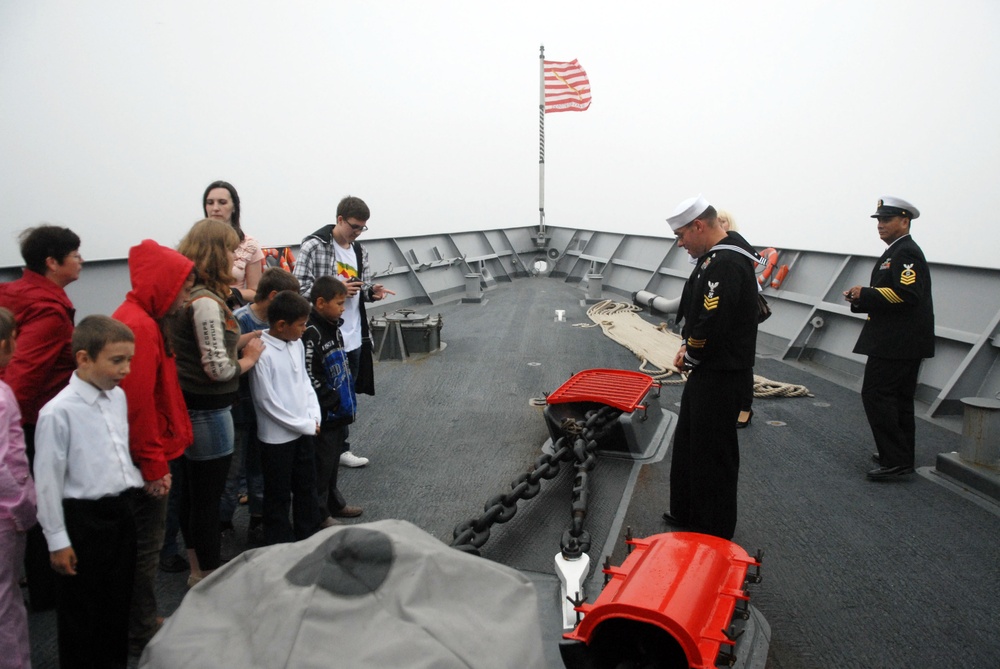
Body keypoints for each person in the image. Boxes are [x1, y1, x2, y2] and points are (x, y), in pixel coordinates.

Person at [34, 315, 143, 668]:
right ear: (83, 359)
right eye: (116, 361)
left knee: (117, 605)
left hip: (120, 513)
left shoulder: (117, 398)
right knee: (82, 613)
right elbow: (47, 481)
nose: (125, 369)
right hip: (83, 521)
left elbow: (116, 453)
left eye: (129, 359)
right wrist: (57, 540)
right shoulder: (57, 413)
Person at [111, 239, 195, 655]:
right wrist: (153, 465)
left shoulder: (141, 320)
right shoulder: (141, 328)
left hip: (151, 450)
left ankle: (139, 620)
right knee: (145, 548)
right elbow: (138, 406)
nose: (184, 299)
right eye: (180, 288)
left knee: (142, 546)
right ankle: (140, 629)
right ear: (163, 286)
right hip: (148, 457)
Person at [170, 219, 264, 587]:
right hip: (207, 412)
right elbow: (217, 369)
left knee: (194, 494)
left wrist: (239, 341)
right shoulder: (207, 303)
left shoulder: (193, 295)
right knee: (205, 497)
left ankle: (198, 566)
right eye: (230, 249)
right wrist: (250, 357)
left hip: (193, 406)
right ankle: (206, 572)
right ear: (215, 253)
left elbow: (200, 351)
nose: (235, 257)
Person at [661, 195, 759, 540]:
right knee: (692, 442)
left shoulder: (725, 263)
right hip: (711, 369)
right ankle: (689, 511)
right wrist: (690, 346)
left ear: (699, 226)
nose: (681, 243)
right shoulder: (715, 259)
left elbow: (712, 318)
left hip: (722, 372)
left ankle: (712, 528)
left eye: (682, 235)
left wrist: (692, 354)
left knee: (713, 453)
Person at [0, 224, 82, 611]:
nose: (80, 260)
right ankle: (47, 593)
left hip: (24, 422)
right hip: (31, 424)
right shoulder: (49, 314)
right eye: (75, 255)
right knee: (40, 503)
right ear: (53, 262)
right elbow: (21, 378)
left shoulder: (18, 293)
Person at [294, 196, 393, 468]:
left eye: (362, 228)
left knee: (345, 394)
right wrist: (337, 290)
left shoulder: (359, 251)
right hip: (324, 337)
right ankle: (318, 449)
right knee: (323, 392)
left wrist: (372, 292)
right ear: (339, 219)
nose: (357, 232)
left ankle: (340, 449)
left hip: (353, 334)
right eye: (354, 226)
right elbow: (299, 289)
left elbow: (361, 290)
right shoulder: (314, 246)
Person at [843, 197, 934, 481]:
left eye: (887, 220)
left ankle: (895, 459)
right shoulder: (897, 251)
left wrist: (865, 293)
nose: (880, 225)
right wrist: (860, 299)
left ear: (904, 221)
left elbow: (908, 295)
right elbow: (892, 294)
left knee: (877, 394)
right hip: (901, 341)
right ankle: (900, 456)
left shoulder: (905, 253)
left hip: (897, 343)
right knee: (899, 398)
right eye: (879, 220)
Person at [226, 267, 301, 544]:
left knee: (260, 469)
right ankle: (224, 525)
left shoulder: (280, 322)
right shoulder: (239, 322)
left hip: (265, 411)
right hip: (240, 408)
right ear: (273, 296)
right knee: (232, 472)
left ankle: (259, 521)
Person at [249, 291, 322, 544]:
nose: (305, 329)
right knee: (278, 495)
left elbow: (304, 381)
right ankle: (279, 543)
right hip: (277, 439)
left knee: (306, 486)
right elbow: (267, 402)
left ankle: (308, 536)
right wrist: (304, 424)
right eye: (301, 324)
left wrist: (314, 415)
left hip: (304, 431)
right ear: (281, 325)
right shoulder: (263, 353)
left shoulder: (297, 344)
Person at [303, 276, 363, 528]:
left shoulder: (333, 327)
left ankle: (333, 502)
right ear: (320, 303)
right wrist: (331, 400)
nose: (342, 308)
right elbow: (310, 373)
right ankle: (318, 514)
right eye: (339, 304)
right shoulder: (312, 333)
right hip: (326, 413)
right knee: (322, 464)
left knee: (332, 462)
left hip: (339, 411)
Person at [0, 307, 37, 669]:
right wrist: (25, 509)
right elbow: (4, 466)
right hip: (6, 518)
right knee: (6, 604)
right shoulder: (2, 396)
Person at [718, 209, 754, 428]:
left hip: (739, 317)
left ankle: (745, 409)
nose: (720, 224)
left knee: (742, 364)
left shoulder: (734, 251)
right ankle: (731, 404)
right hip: (728, 315)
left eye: (723, 221)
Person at [203, 180, 264, 304]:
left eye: (222, 202)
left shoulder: (248, 244)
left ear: (234, 207)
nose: (215, 208)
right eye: (210, 203)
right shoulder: (196, 243)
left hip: (234, 313)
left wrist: (229, 293)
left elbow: (255, 293)